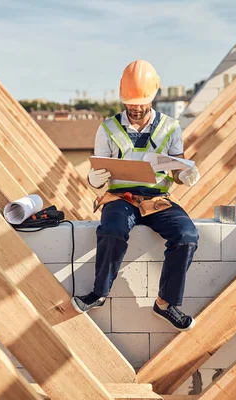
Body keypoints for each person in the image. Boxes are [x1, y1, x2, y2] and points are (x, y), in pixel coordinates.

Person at [72, 60, 201, 331]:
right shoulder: (108, 128)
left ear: (153, 97)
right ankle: (99, 293)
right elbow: (97, 172)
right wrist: (94, 179)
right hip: (122, 198)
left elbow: (177, 167)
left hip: (156, 199)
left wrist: (184, 174)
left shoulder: (170, 127)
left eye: (141, 102)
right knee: (112, 229)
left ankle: (165, 303)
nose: (136, 108)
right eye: (131, 102)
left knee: (187, 235)